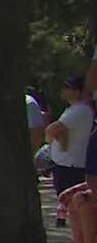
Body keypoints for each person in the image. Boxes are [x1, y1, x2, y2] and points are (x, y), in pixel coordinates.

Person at [44, 75, 93, 229]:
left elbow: (52, 129)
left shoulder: (81, 110)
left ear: (78, 91)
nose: (64, 90)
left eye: (68, 87)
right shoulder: (71, 110)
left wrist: (53, 136)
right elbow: (59, 131)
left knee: (73, 203)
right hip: (64, 162)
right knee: (68, 204)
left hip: (71, 164)